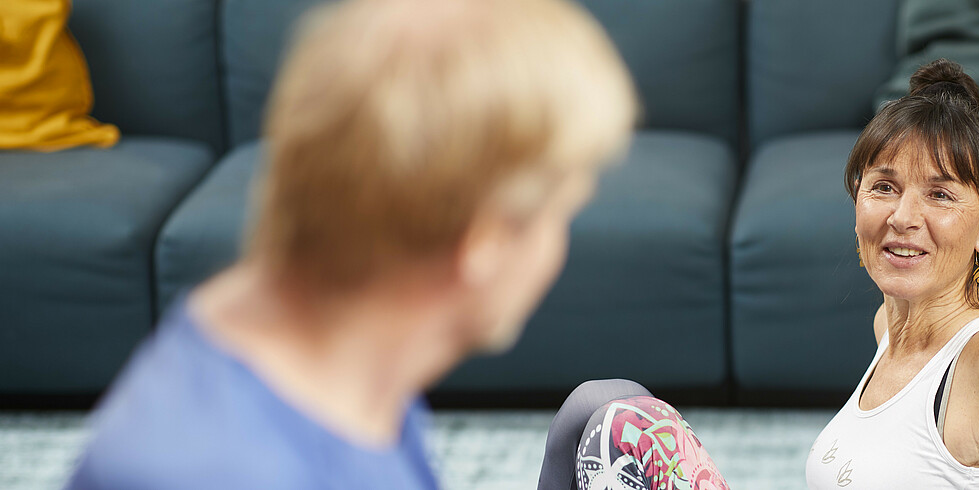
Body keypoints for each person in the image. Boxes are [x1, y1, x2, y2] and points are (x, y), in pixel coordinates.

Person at [64, 0, 636, 488]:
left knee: (603, 410)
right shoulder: (207, 469)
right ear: (482, 244)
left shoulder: (334, 351)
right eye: (561, 213)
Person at [539, 59, 979, 490]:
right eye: (884, 187)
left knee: (624, 428)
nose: (902, 218)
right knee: (599, 402)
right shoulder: (889, 329)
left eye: (940, 195)